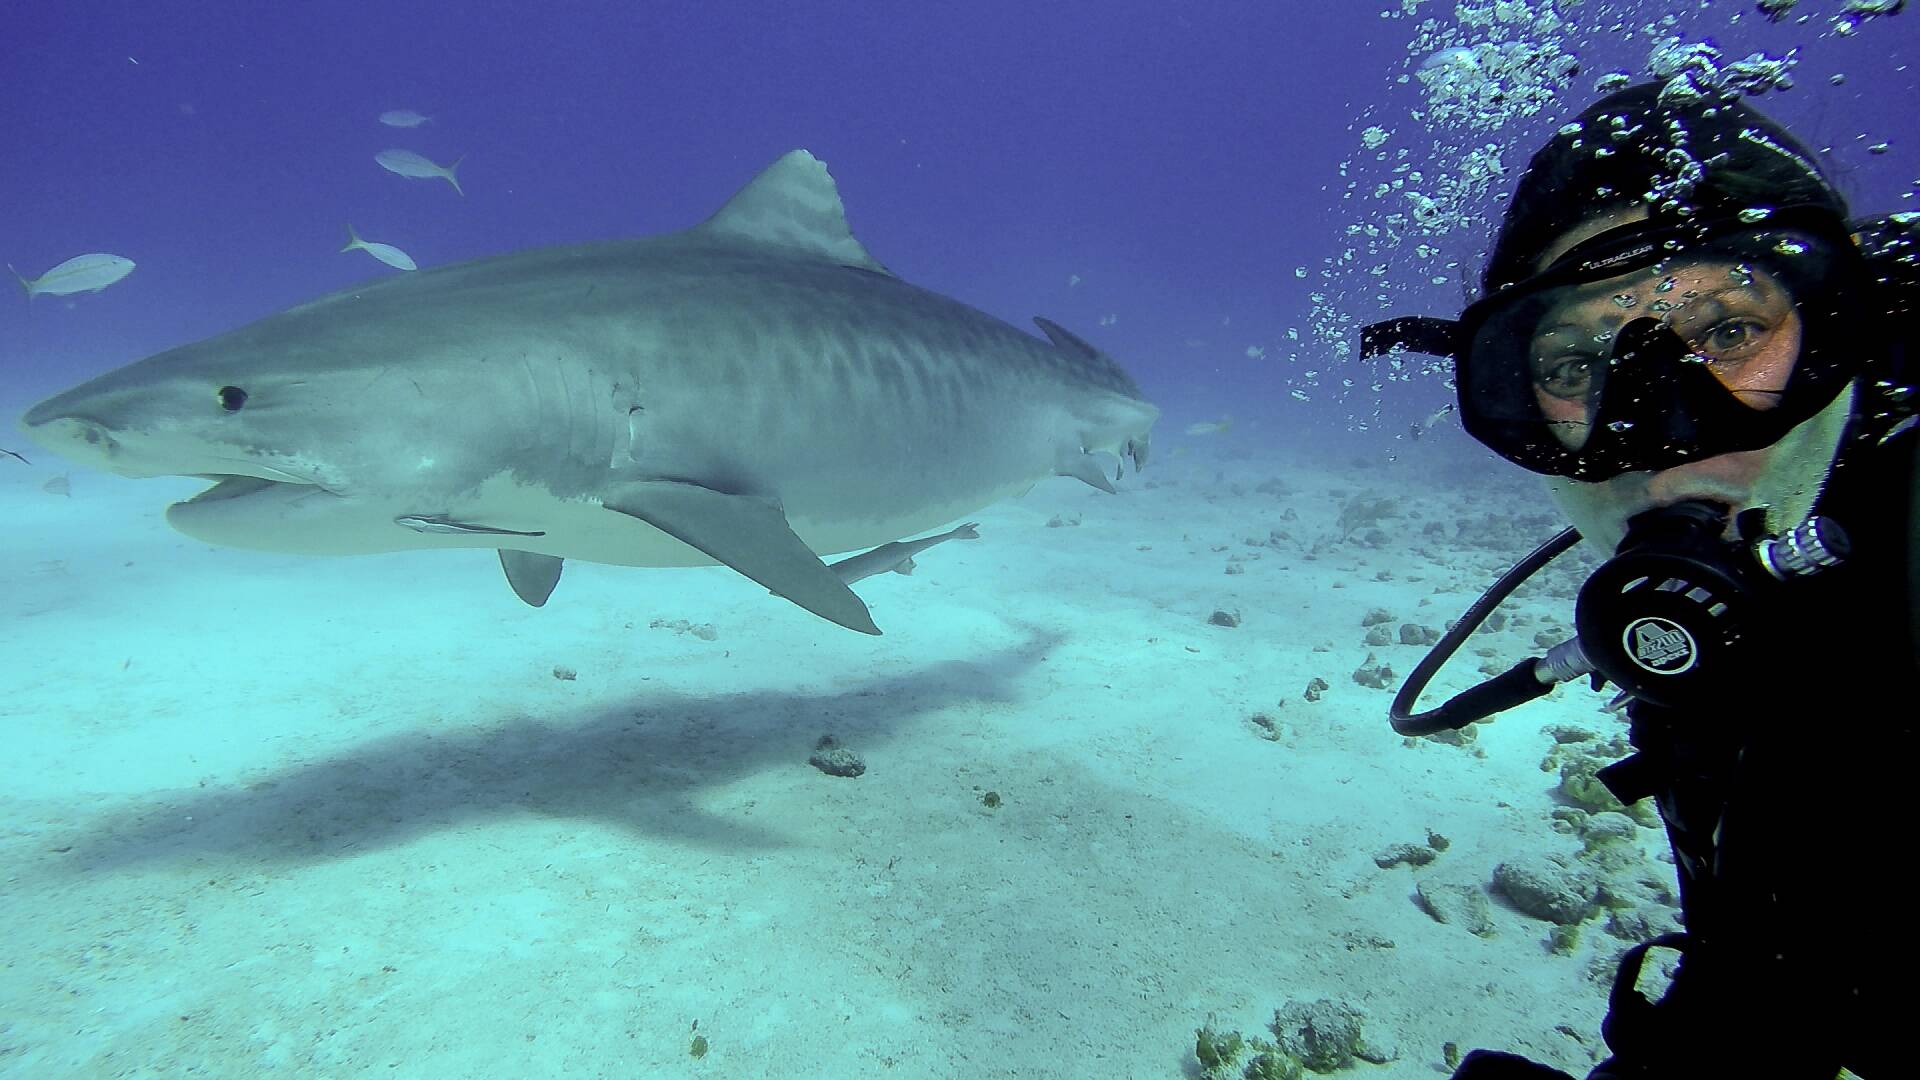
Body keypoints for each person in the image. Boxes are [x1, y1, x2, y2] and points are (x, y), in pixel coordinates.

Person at [1365, 81, 1917, 1077]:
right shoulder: (1711, 633)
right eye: (1578, 365)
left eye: (1732, 331)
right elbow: (1776, 966)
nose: (1666, 435)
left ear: (1843, 324)